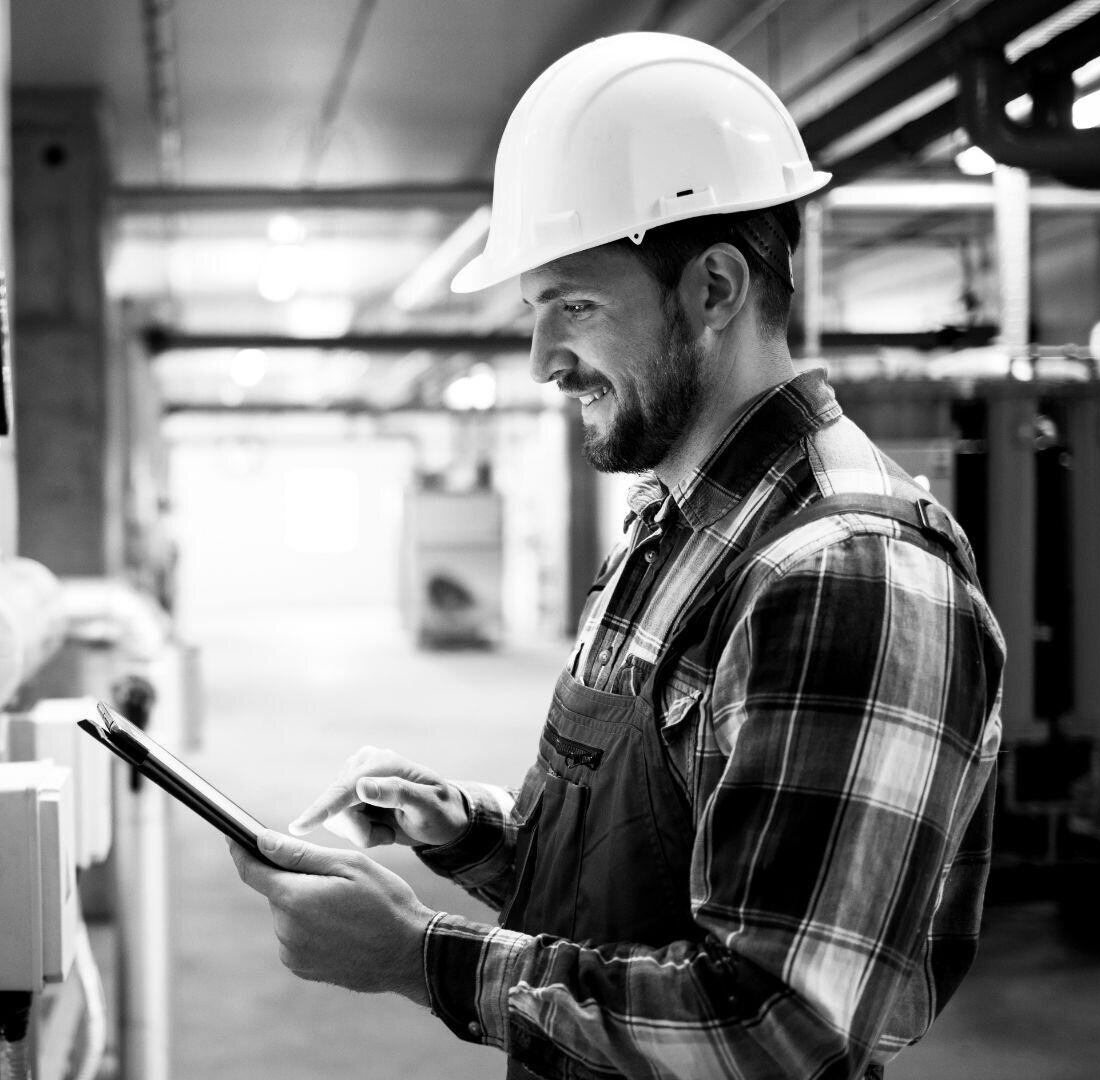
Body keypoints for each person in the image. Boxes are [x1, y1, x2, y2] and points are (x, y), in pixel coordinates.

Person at [226, 32, 1003, 1080]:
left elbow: (776, 1029)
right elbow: (636, 892)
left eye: (574, 305)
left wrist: (421, 961)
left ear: (715, 288)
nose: (544, 361)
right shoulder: (670, 528)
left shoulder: (846, 577)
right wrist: (461, 833)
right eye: (533, 312)